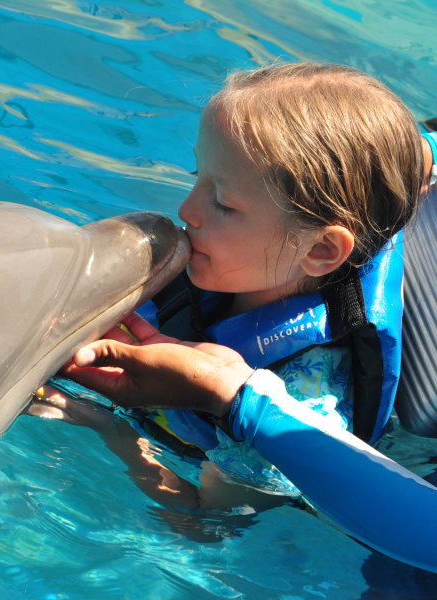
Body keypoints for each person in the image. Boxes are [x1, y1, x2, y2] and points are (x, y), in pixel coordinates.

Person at [30, 63, 437, 572]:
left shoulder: (306, 400)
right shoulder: (240, 269)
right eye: (195, 176)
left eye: (222, 203)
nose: (186, 209)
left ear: (321, 250)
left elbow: (205, 524)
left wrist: (109, 431)